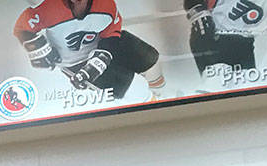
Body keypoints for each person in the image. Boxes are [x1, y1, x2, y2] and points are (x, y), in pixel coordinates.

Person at [14, 0, 164, 100]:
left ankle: (164, 96)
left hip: (101, 44)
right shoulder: (48, 8)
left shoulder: (106, 4)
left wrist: (101, 59)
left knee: (151, 61)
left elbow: (111, 32)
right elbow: (21, 28)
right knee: (133, 91)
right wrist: (36, 48)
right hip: (73, 61)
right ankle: (156, 110)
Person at [185, 0, 267, 76]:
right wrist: (199, 15)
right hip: (213, 36)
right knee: (217, 82)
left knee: (247, 86)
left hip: (243, 45)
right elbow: (194, 4)